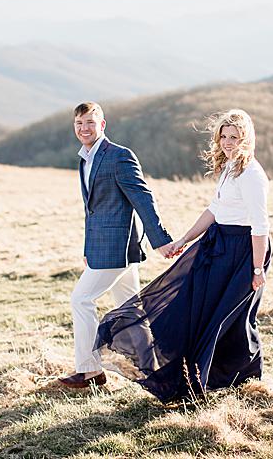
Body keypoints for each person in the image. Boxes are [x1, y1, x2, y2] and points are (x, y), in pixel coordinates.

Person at [95, 108, 271, 403]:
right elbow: (214, 211)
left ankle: (243, 380)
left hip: (244, 252)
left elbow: (260, 226)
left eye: (235, 137)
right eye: (224, 136)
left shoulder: (252, 174)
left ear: (247, 139)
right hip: (218, 245)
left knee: (233, 317)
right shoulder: (229, 168)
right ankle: (207, 378)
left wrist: (256, 269)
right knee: (198, 309)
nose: (228, 142)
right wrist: (185, 240)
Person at [48, 102, 174, 390]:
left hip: (117, 249)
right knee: (130, 309)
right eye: (79, 124)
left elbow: (142, 198)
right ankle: (154, 367)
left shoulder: (119, 156)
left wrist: (160, 240)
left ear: (102, 125)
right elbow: (94, 211)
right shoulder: (85, 159)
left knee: (80, 300)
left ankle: (90, 370)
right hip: (103, 248)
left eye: (90, 123)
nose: (84, 129)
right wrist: (88, 249)